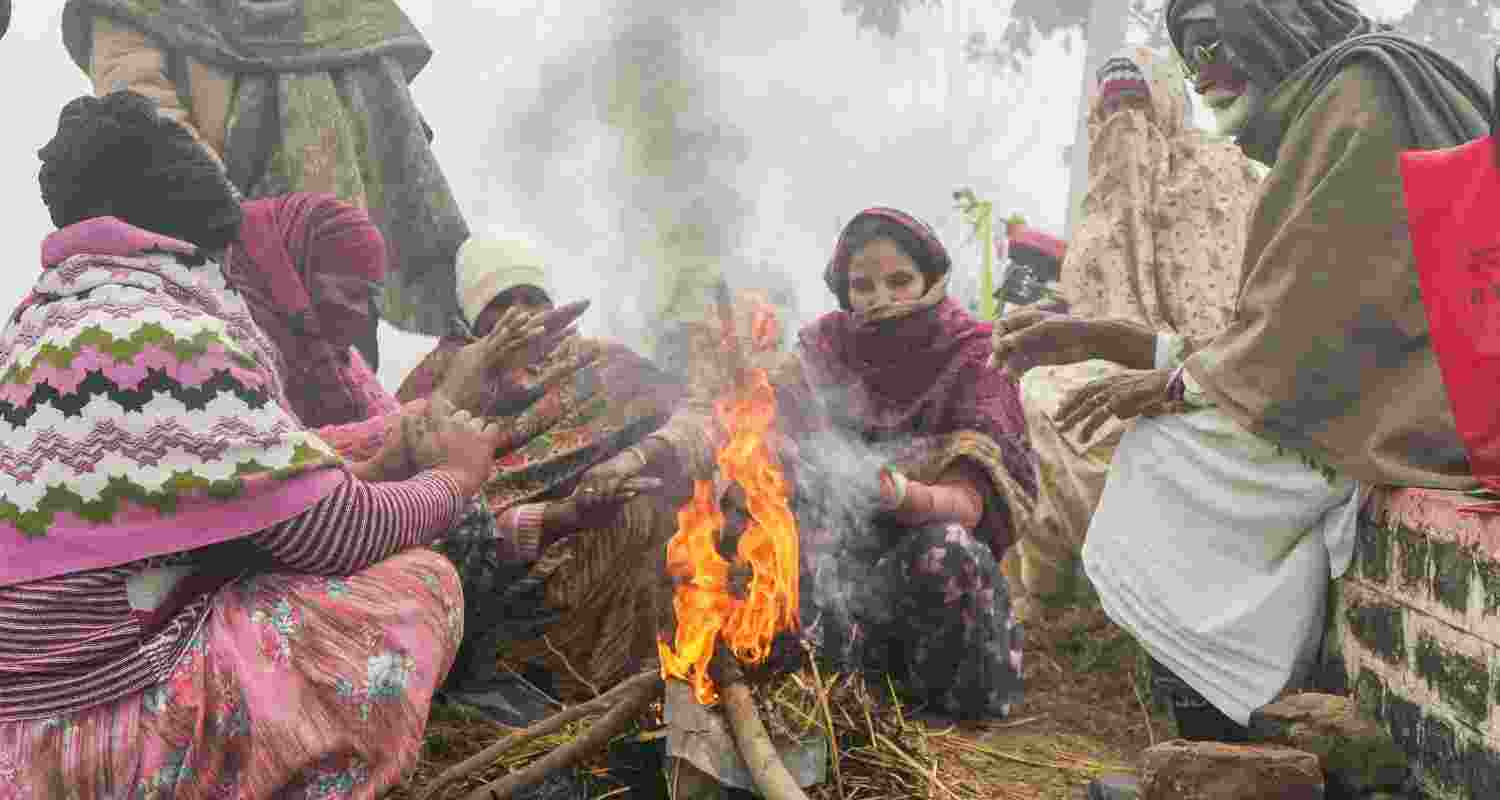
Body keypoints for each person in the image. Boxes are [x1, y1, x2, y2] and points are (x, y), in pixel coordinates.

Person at [989, 3, 1488, 795]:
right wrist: (1110, 342)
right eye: (1188, 53)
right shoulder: (1342, 95)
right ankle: (1245, 745)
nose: (1205, 68)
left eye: (1217, 40)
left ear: (1277, 20)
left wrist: (1176, 383)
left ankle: (1224, 749)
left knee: (1159, 460)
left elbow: (1311, 328)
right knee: (1196, 454)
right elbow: (1282, 328)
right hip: (1380, 394)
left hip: (1425, 407)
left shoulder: (1357, 96)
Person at [0, 90, 535, 798]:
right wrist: (456, 477)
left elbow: (218, 507)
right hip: (114, 736)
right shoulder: (166, 331)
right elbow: (334, 533)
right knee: (419, 582)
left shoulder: (33, 331)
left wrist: (383, 460)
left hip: (19, 737)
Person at [621, 208, 1037, 722]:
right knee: (758, 543)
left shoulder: (973, 355)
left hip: (925, 572)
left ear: (931, 281)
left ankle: (943, 714)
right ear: (844, 293)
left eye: (900, 280)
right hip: (839, 565)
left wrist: (903, 495)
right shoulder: (823, 348)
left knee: (946, 552)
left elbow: (969, 506)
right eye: (863, 286)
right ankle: (822, 697)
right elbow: (766, 434)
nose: (881, 297)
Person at [1009, 46, 1262, 617]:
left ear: (1169, 105)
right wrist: (1053, 320)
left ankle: (1132, 593)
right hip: (1122, 361)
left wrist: (1157, 363)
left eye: (1138, 106)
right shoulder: (1107, 191)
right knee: (1031, 390)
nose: (1127, 126)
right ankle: (1059, 593)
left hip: (1212, 377)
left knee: (1064, 401)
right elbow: (1095, 298)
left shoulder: (1215, 176)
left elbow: (1219, 322)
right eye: (1114, 109)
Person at [391, 237, 687, 718]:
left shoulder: (600, 365)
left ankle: (620, 687)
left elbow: (698, 415)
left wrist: (630, 460)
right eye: (501, 302)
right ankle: (528, 679)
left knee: (650, 507)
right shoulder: (443, 382)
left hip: (587, 543)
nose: (522, 313)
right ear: (473, 318)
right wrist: (555, 514)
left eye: (533, 298)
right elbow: (414, 501)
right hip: (484, 572)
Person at [62, 0, 470, 338]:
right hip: (211, 259)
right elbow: (142, 116)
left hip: (333, 260)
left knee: (340, 401)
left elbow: (393, 131)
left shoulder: (340, 10)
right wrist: (234, 219)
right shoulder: (133, 6)